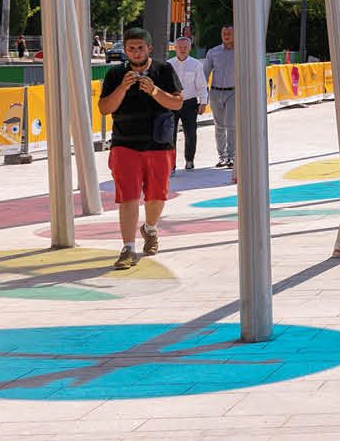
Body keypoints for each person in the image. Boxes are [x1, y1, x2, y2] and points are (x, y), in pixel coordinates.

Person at [97, 26, 183, 270]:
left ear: (149, 49)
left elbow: (177, 103)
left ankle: (150, 228)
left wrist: (154, 90)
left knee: (156, 196)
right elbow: (104, 108)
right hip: (125, 144)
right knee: (128, 196)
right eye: (131, 48)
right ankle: (128, 248)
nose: (136, 52)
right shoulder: (116, 74)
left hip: (159, 144)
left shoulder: (164, 70)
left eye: (140, 48)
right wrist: (123, 87)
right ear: (125, 51)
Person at [169, 34, 209, 170]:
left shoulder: (196, 64)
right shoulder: (168, 64)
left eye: (185, 47)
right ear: (175, 48)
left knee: (190, 133)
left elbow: (201, 85)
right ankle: (171, 163)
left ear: (190, 48)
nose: (182, 49)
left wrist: (203, 102)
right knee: (170, 134)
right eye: (180, 47)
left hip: (190, 103)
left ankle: (189, 160)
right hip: (172, 102)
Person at [204, 24, 238, 172]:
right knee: (219, 125)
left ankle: (232, 156)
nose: (226, 36)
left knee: (231, 124)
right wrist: (203, 93)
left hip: (233, 92)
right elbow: (205, 73)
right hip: (216, 92)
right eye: (224, 33)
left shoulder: (241, 51)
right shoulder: (213, 52)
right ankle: (222, 156)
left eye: (229, 33)